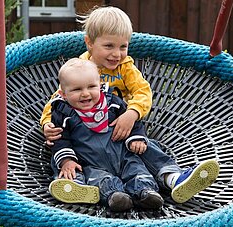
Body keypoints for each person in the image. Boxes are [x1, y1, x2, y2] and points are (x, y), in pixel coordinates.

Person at [48, 58, 220, 212]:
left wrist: (136, 137)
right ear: (63, 94)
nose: (85, 93)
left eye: (91, 87)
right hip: (91, 163)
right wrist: (67, 161)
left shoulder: (113, 103)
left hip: (124, 154)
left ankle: (165, 183)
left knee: (140, 165)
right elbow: (60, 139)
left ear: (99, 84)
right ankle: (89, 190)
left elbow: (135, 124)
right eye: (77, 89)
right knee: (90, 175)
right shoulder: (63, 113)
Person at [40, 6, 152, 145]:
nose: (117, 54)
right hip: (84, 125)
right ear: (90, 43)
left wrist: (132, 113)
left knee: (139, 148)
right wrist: (47, 123)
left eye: (123, 47)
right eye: (109, 46)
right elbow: (60, 96)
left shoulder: (125, 67)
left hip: (118, 124)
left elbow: (143, 91)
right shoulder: (80, 67)